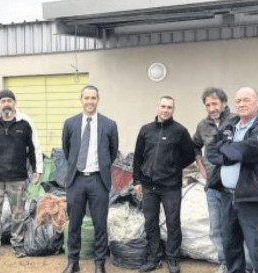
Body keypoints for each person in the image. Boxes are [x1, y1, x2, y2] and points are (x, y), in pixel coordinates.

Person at [207, 87, 258, 273]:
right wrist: (233, 151)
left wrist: (229, 149)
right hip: (226, 197)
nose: (241, 104)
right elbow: (211, 152)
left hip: (252, 199)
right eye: (238, 101)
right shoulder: (228, 126)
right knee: (231, 251)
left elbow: (246, 151)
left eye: (246, 99)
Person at [0, 89, 43, 261]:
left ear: (14, 103)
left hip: (18, 177)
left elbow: (35, 147)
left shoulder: (25, 122)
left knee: (18, 213)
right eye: (3, 101)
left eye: (9, 100)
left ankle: (18, 244)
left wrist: (38, 169)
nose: (6, 103)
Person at [133, 96, 195, 273]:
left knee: (173, 222)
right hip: (148, 185)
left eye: (169, 107)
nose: (166, 110)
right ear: (157, 108)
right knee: (150, 222)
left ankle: (173, 259)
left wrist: (173, 167)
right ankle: (154, 257)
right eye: (163, 106)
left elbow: (189, 155)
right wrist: (137, 180)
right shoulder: (146, 130)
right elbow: (138, 157)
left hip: (171, 186)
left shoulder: (180, 131)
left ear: (173, 110)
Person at [61, 85, 118, 273]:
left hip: (98, 181)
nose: (90, 102)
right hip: (76, 180)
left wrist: (100, 169)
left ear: (98, 100)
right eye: (86, 98)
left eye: (93, 98)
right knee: (74, 222)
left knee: (100, 223)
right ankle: (73, 262)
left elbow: (112, 152)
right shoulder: (70, 123)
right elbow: (67, 150)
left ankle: (99, 263)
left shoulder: (109, 124)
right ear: (81, 100)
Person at [193, 88, 234, 273]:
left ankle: (244, 265)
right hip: (213, 186)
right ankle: (225, 263)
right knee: (216, 229)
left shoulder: (235, 120)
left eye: (215, 103)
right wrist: (201, 168)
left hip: (234, 186)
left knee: (236, 227)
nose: (211, 108)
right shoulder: (203, 126)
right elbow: (195, 146)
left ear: (223, 103)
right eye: (208, 104)